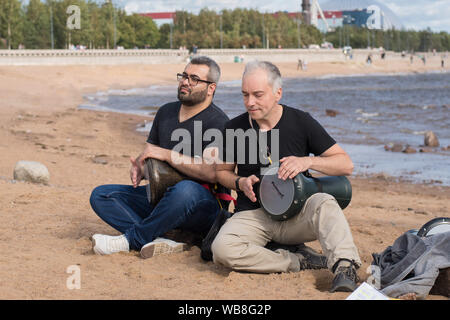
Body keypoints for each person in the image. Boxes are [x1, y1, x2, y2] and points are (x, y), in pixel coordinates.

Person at [211, 61, 362, 293]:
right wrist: (239, 182)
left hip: (297, 215)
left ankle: (344, 267)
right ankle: (298, 262)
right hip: (254, 215)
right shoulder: (235, 128)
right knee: (222, 249)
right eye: (245, 95)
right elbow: (221, 172)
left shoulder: (301, 121)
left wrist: (307, 161)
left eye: (258, 95)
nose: (250, 102)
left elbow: (346, 164)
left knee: (325, 202)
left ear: (278, 93)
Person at [90, 56, 230, 258]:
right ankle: (160, 239)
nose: (185, 82)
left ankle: (134, 239)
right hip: (162, 197)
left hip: (202, 205)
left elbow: (211, 172)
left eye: (194, 79)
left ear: (211, 88)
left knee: (186, 190)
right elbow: (150, 155)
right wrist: (142, 166)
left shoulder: (219, 122)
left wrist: (166, 154)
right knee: (101, 195)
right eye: (184, 76)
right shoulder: (166, 112)